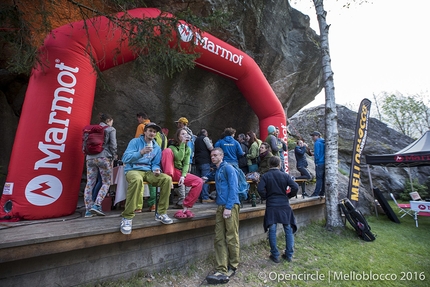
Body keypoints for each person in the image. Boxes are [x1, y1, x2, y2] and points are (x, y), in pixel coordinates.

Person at [120, 123, 173, 235]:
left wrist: (156, 169)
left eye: (154, 132)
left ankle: (161, 213)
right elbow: (125, 158)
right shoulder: (135, 142)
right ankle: (127, 217)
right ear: (144, 132)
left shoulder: (157, 147)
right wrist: (141, 152)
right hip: (133, 170)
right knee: (137, 180)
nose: (152, 133)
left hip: (148, 171)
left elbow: (155, 163)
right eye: (150, 131)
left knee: (167, 179)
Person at [205, 148, 240, 285]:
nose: (213, 157)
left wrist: (229, 207)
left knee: (231, 236)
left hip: (229, 205)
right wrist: (205, 177)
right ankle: (221, 267)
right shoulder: (218, 170)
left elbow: (234, 188)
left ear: (222, 156)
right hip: (220, 206)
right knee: (219, 237)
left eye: (215, 155)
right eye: (211, 156)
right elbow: (212, 176)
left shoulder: (229, 168)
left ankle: (233, 266)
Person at [257, 156, 299, 263]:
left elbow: (260, 189)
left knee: (272, 229)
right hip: (284, 204)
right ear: (279, 164)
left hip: (272, 204)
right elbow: (295, 187)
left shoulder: (266, 176)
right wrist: (288, 196)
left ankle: (275, 255)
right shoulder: (285, 175)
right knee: (288, 229)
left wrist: (266, 196)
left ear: (269, 164)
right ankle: (289, 254)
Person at [161, 128, 204, 219]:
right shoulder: (172, 147)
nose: (185, 136)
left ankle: (186, 207)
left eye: (186, 134)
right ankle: (168, 178)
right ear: (178, 136)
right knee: (167, 151)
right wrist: (183, 144)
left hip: (180, 172)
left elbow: (186, 164)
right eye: (182, 134)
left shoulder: (188, 148)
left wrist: (183, 176)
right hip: (172, 170)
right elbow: (179, 157)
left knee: (199, 181)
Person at [83, 113, 117, 217]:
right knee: (106, 182)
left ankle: (88, 210)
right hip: (104, 158)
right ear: (108, 120)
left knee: (89, 183)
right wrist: (114, 155)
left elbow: (84, 144)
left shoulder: (90, 129)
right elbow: (113, 144)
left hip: (90, 158)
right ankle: (97, 205)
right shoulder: (110, 129)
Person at [134, 112, 156, 212]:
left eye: (138, 118)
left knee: (140, 182)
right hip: (154, 161)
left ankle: (138, 206)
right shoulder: (156, 129)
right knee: (153, 183)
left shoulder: (141, 126)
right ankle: (153, 205)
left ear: (141, 118)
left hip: (142, 160)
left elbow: (137, 142)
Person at [175, 117, 195, 206]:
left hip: (185, 160)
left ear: (182, 124)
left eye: (178, 123)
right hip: (189, 160)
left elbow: (183, 154)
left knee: (183, 180)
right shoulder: (191, 134)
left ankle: (182, 200)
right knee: (186, 180)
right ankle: (186, 199)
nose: (177, 125)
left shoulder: (184, 134)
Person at [193, 128, 214, 203]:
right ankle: (205, 197)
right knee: (205, 179)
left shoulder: (196, 139)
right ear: (205, 133)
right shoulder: (205, 138)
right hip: (205, 161)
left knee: (198, 180)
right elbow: (210, 148)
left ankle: (197, 197)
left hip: (197, 161)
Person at [310, 131, 325, 197]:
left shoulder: (317, 143)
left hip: (319, 163)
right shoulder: (324, 142)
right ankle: (322, 192)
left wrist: (316, 162)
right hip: (325, 163)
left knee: (319, 178)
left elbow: (317, 154)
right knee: (323, 178)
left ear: (317, 136)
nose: (312, 138)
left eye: (313, 136)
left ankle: (316, 193)